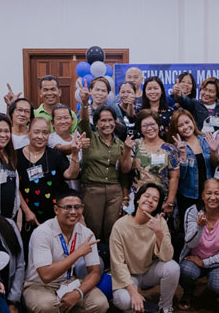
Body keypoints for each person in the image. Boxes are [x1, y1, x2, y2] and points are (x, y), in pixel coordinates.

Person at [23, 190, 109, 313]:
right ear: (56, 209)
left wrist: (78, 293)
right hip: (38, 284)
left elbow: (95, 272)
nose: (73, 212)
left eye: (78, 207)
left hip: (68, 282)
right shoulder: (42, 232)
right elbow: (46, 275)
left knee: (100, 304)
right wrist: (78, 253)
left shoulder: (86, 233)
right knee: (46, 305)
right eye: (67, 207)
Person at [109, 183, 182, 313]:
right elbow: (117, 264)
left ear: (158, 205)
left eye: (155, 199)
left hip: (148, 271)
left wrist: (159, 232)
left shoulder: (159, 223)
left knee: (173, 267)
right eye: (146, 196)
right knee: (125, 301)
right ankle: (130, 300)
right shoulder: (120, 225)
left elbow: (167, 257)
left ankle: (165, 308)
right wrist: (133, 292)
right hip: (129, 275)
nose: (150, 201)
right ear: (137, 199)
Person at [78, 98, 130, 268]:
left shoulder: (121, 145)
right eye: (103, 120)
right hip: (92, 189)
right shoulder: (89, 137)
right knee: (92, 231)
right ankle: (91, 267)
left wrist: (125, 197)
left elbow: (123, 174)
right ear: (97, 123)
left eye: (110, 120)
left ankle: (110, 267)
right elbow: (84, 121)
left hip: (115, 192)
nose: (107, 124)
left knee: (112, 231)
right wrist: (85, 103)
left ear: (115, 122)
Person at [178, 178, 219, 308]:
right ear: (202, 196)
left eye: (217, 193)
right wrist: (199, 227)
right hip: (195, 258)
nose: (213, 197)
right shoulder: (192, 211)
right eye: (209, 193)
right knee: (185, 271)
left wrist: (204, 263)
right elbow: (190, 243)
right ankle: (188, 292)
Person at [18, 117, 80, 231]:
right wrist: (27, 212)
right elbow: (15, 187)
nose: (40, 136)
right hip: (30, 216)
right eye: (36, 132)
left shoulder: (55, 155)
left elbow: (71, 175)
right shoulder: (17, 156)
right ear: (28, 132)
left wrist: (75, 154)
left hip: (56, 215)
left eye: (45, 133)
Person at [121, 111, 179, 217]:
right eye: (145, 126)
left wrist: (169, 202)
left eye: (152, 124)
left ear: (158, 125)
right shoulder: (134, 145)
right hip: (137, 200)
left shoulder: (170, 149)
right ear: (140, 128)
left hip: (160, 202)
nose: (149, 128)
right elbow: (125, 170)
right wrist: (126, 150)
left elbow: (174, 177)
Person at [169, 108, 212, 222]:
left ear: (193, 121)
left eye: (187, 122)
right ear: (176, 129)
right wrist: (182, 155)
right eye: (180, 125)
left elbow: (214, 165)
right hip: (188, 196)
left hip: (209, 194)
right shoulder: (176, 147)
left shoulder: (205, 139)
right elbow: (181, 176)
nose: (185, 127)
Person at [47, 104, 89, 191]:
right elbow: (61, 149)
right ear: (53, 123)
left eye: (66, 118)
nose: (63, 121)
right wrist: (75, 146)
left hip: (81, 183)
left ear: (72, 120)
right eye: (59, 118)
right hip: (61, 183)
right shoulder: (50, 138)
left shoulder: (77, 136)